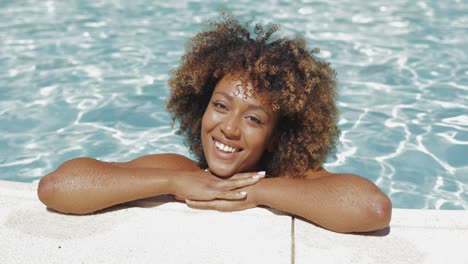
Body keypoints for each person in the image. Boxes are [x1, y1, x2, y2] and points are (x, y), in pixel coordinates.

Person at [37, 14, 391, 233]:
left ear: (276, 137)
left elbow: (371, 209)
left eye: (254, 118)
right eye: (221, 106)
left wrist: (252, 191)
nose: (229, 129)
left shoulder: (297, 180)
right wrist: (179, 182)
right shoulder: (181, 171)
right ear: (200, 109)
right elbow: (57, 187)